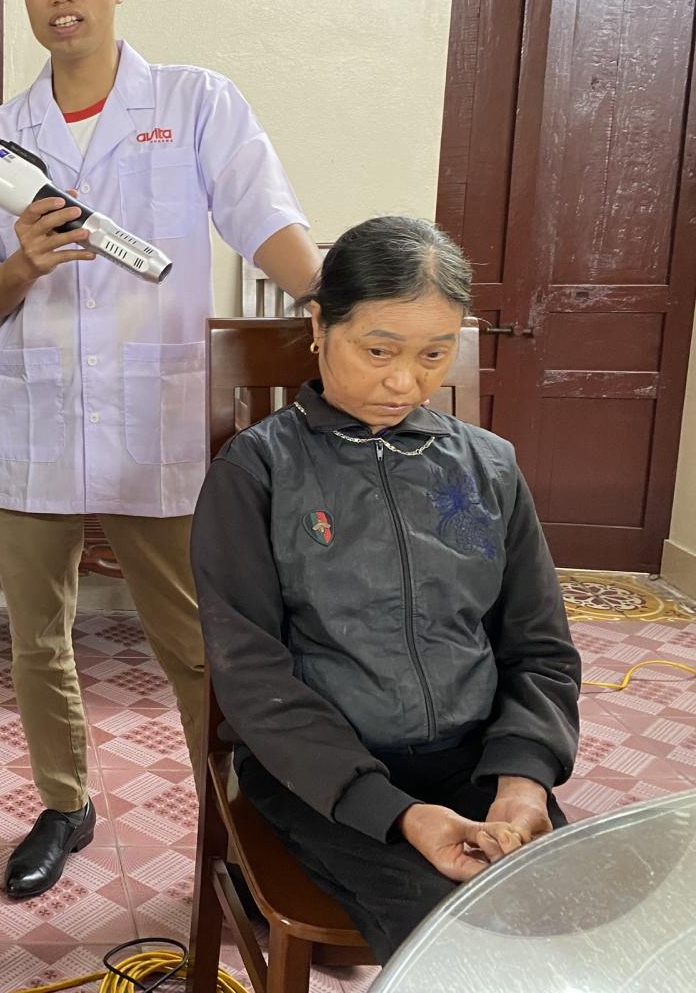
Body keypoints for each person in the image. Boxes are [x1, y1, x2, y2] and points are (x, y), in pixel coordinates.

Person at [0, 0, 322, 899]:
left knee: (195, 642)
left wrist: (336, 300)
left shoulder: (194, 104)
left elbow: (264, 221)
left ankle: (239, 829)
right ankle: (64, 803)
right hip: (35, 418)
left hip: (157, 420)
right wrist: (23, 265)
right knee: (37, 637)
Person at [191, 216, 582, 962]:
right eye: (379, 351)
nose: (406, 382)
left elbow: (540, 650)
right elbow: (253, 678)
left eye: (435, 354)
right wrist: (397, 813)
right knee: (455, 941)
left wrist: (524, 780)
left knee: (561, 915)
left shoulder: (490, 467)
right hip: (322, 774)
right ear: (319, 326)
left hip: (477, 760)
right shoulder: (257, 472)